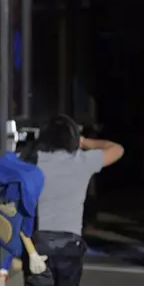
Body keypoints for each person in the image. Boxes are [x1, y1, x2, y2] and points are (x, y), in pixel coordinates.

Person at [22, 114, 124, 286]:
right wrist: (85, 143)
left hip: (38, 242)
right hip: (70, 244)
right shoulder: (82, 161)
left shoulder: (32, 162)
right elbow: (117, 149)